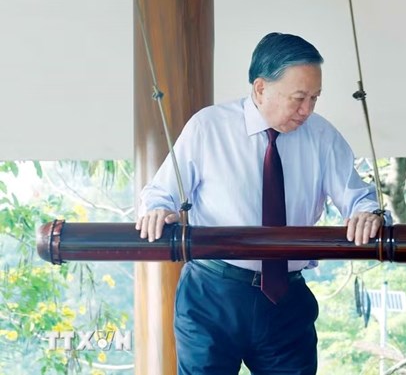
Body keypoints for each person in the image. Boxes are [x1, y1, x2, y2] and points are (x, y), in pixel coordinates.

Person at [136, 32, 385, 374]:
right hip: (211, 296)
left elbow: (358, 198)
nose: (307, 109)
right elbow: (159, 192)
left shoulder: (322, 136)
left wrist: (367, 213)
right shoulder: (208, 127)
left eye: (315, 98)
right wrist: (157, 211)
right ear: (260, 89)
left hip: (286, 301)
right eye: (299, 98)